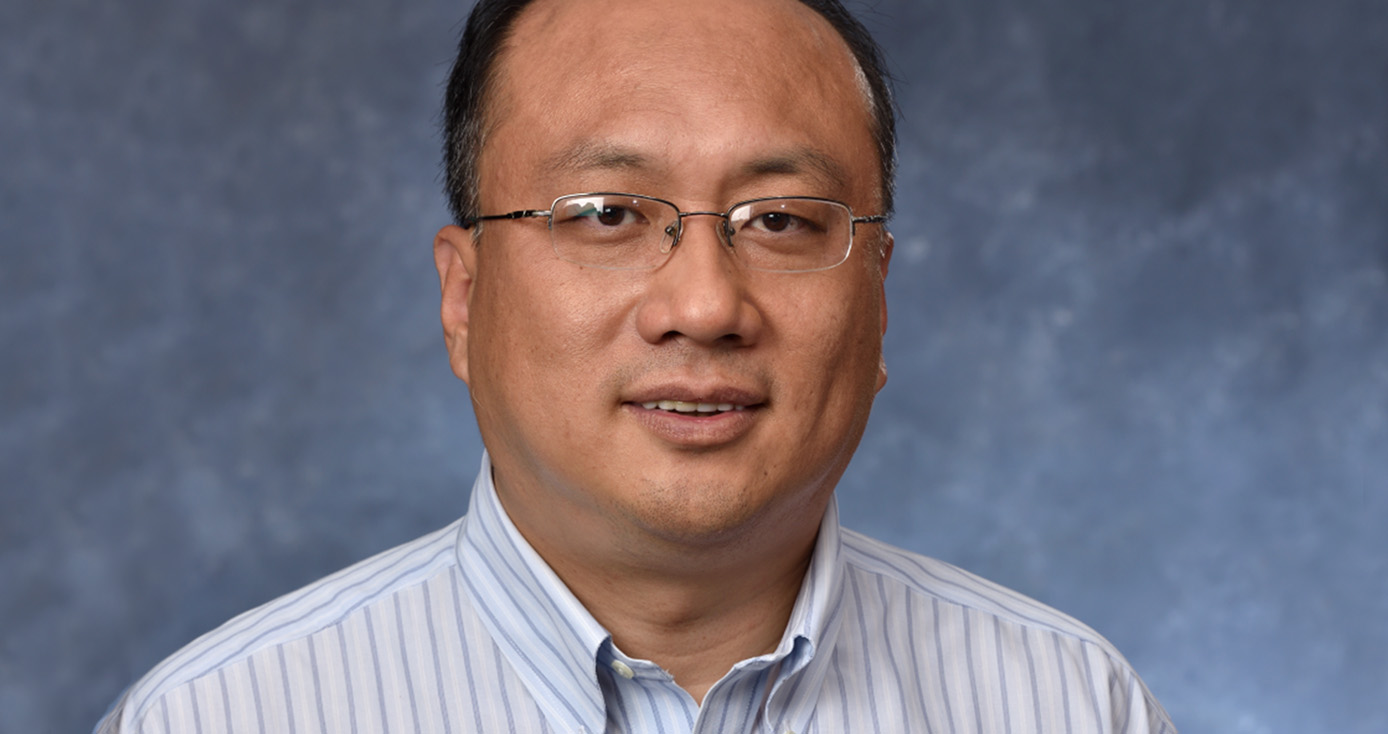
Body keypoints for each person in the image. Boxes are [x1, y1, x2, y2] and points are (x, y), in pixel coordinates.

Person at [96, 0, 1175, 731]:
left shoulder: (1068, 700)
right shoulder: (223, 714)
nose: (703, 305)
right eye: (607, 212)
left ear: (878, 296)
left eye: (784, 219)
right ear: (462, 297)